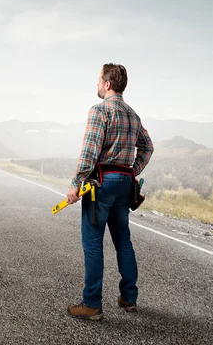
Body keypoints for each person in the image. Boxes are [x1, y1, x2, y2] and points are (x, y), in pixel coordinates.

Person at [65, 63, 154, 320]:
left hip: (101, 183)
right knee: (123, 241)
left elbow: (90, 151)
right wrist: (132, 170)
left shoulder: (99, 111)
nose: (96, 84)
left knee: (93, 243)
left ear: (107, 84)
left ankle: (91, 304)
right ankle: (129, 298)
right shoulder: (133, 115)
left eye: (98, 80)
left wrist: (76, 182)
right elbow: (148, 147)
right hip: (124, 183)